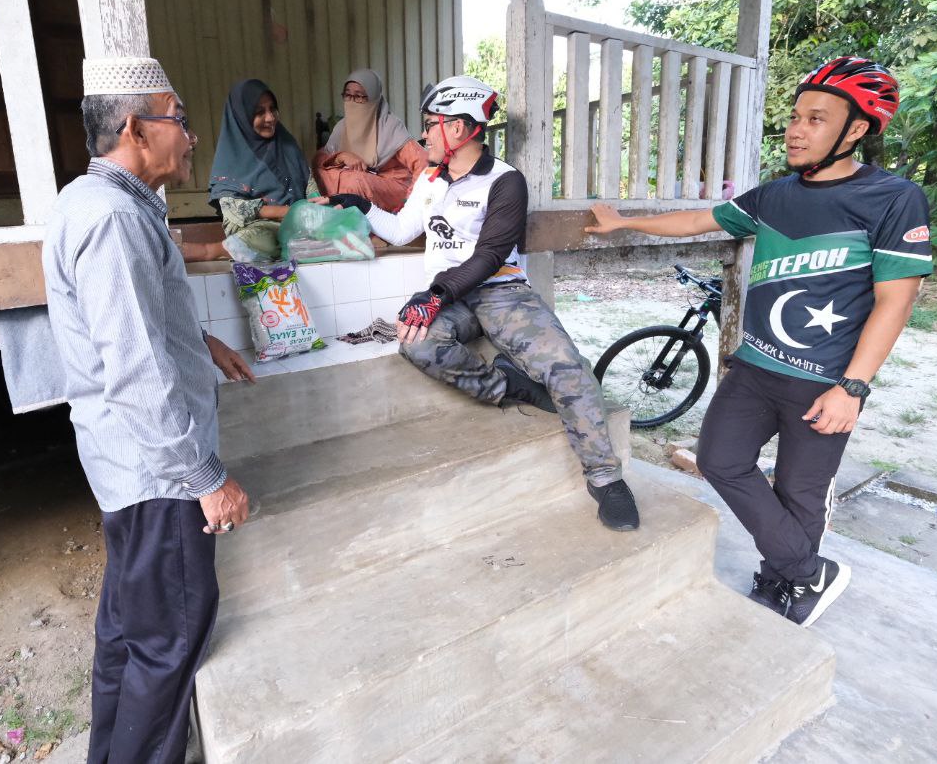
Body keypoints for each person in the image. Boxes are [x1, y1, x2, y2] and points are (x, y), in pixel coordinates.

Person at [586, 57, 932, 627]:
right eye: (796, 117)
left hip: (824, 380)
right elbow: (702, 220)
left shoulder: (893, 199)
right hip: (754, 368)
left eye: (817, 119)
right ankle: (807, 570)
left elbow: (896, 300)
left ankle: (783, 579)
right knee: (722, 461)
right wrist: (625, 222)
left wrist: (853, 388)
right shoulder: (775, 196)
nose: (797, 129)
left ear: (858, 130)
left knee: (800, 492)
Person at [42, 56, 255, 763]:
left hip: (127, 469)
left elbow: (130, 323)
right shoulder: (112, 217)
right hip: (157, 476)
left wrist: (200, 341)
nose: (192, 137)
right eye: (181, 120)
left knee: (129, 633)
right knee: (170, 644)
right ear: (136, 128)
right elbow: (134, 372)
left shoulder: (104, 202)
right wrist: (205, 476)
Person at [324, 75, 642, 532]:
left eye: (431, 124)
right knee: (417, 343)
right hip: (453, 298)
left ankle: (605, 477)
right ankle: (507, 387)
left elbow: (492, 255)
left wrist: (434, 295)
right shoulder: (430, 179)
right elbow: (398, 231)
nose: (424, 134)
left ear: (458, 128)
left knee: (567, 366)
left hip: (502, 292)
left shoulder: (505, 181)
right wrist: (359, 202)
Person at [183, 78, 319, 262]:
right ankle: (213, 250)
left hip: (299, 224)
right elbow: (234, 210)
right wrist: (287, 212)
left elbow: (309, 184)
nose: (270, 118)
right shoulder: (231, 157)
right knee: (260, 238)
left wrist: (315, 208)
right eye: (259, 112)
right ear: (242, 117)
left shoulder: (286, 145)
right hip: (261, 228)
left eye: (272, 109)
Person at [313, 69, 429, 213]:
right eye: (347, 95)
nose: (352, 102)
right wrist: (342, 156)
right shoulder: (342, 126)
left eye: (359, 96)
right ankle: (344, 206)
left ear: (374, 98)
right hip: (359, 181)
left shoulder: (390, 126)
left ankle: (351, 210)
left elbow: (423, 161)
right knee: (323, 169)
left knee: (353, 181)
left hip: (392, 186)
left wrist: (412, 199)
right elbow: (321, 158)